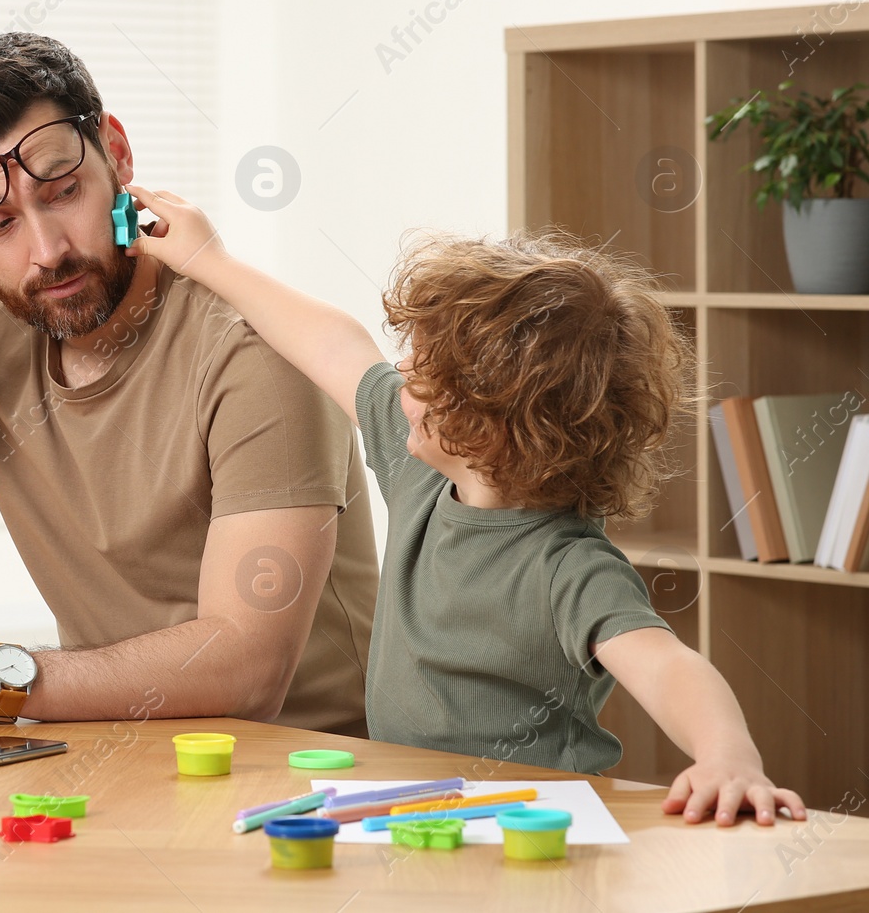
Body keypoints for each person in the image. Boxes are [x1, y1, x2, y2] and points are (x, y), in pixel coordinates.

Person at [125, 188, 807, 827]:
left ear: (493, 429)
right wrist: (205, 259)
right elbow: (335, 343)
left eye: (426, 374)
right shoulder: (421, 466)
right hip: (415, 804)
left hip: (534, 825)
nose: (403, 381)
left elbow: (665, 664)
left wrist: (727, 755)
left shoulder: (569, 566)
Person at [0, 33, 378, 735]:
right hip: (125, 762)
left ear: (115, 153)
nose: (48, 250)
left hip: (311, 780)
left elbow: (249, 670)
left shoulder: (254, 350)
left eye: (64, 192)